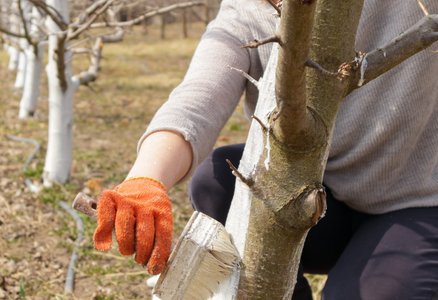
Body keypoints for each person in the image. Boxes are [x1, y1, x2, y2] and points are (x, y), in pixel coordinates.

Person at [92, 0, 438, 298]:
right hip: (317, 200)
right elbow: (197, 99)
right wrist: (145, 181)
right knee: (217, 179)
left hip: (415, 201)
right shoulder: (248, 10)